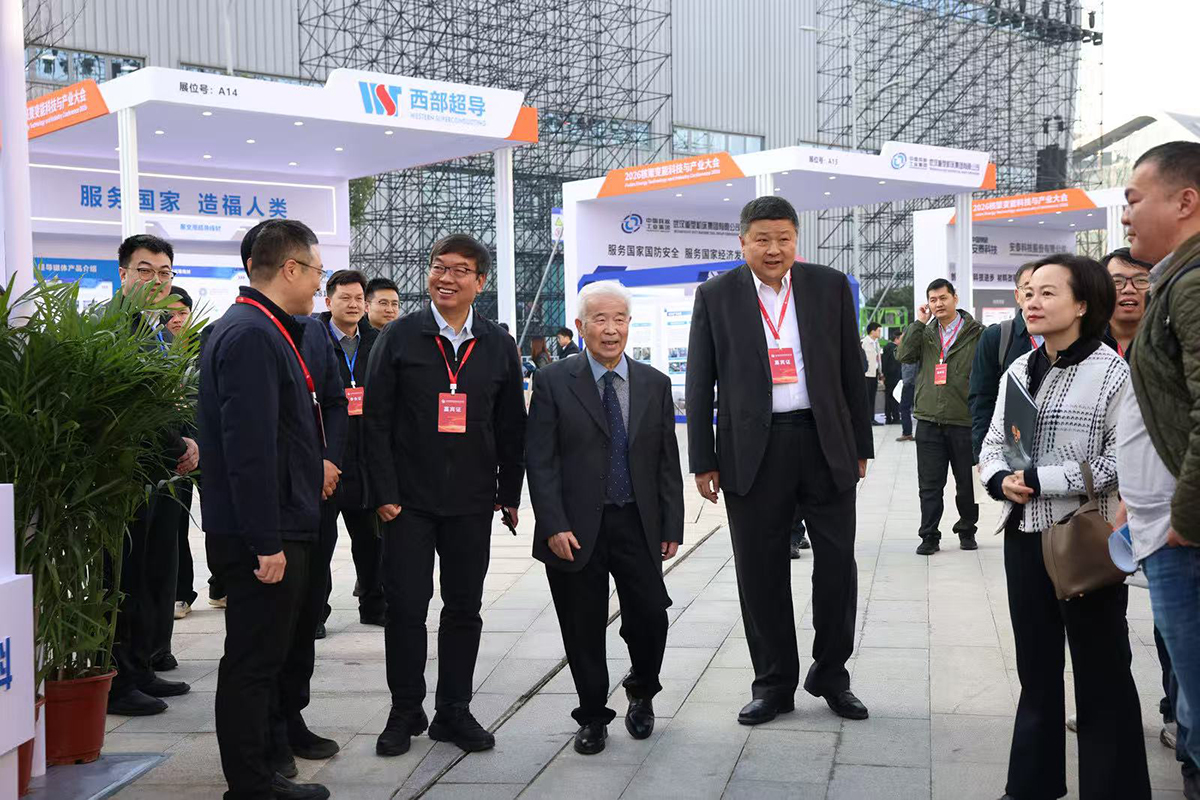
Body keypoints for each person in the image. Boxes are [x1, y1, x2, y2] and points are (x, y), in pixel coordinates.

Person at [686, 196, 873, 725]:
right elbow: (700, 381)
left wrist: (861, 446)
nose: (774, 249)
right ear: (742, 241)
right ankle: (772, 684)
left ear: (796, 239)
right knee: (760, 569)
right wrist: (703, 459)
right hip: (752, 450)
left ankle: (832, 674)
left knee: (837, 564)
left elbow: (851, 370)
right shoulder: (717, 295)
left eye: (784, 238)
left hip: (824, 442)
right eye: (762, 239)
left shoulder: (829, 286)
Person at [978, 253, 1150, 800]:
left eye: (1048, 293)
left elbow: (1123, 461)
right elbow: (994, 443)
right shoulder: (1020, 369)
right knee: (1036, 670)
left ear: (1082, 305)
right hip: (1024, 537)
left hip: (1083, 539)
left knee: (1102, 673)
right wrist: (999, 477)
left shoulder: (1112, 374)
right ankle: (1031, 785)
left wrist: (1040, 478)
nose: (1033, 302)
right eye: (1029, 292)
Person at [364, 234, 527, 757]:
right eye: (439, 267)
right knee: (406, 608)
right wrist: (383, 491)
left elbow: (511, 424)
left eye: (459, 270)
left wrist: (508, 491)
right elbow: (375, 420)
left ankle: (453, 710)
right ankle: (404, 710)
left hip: (472, 501)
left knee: (463, 608)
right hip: (407, 502)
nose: (446, 278)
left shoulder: (497, 343)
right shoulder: (401, 335)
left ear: (480, 281)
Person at [199, 219, 333, 800]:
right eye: (318, 271)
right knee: (253, 661)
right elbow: (248, 450)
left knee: (262, 656)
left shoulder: (263, 327)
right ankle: (251, 784)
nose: (320, 285)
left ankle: (258, 772)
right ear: (291, 269)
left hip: (279, 520)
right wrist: (266, 541)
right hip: (264, 530)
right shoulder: (252, 334)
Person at [526, 280, 683, 756]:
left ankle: (642, 690)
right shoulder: (553, 381)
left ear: (629, 324)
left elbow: (666, 460)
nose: (610, 329)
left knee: (651, 615)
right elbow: (541, 460)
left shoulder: (653, 382)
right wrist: (552, 524)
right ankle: (593, 715)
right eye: (600, 319)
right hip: (574, 528)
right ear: (580, 326)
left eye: (619, 319)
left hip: (637, 521)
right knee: (582, 625)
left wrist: (671, 525)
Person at [1120, 141, 1200, 797]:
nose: (1125, 216)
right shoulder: (1176, 279)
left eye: (1134, 199)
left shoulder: (1193, 284)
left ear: (1185, 201)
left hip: (1186, 536)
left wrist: (1187, 519)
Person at [107, 234, 197, 717]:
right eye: (145, 270)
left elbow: (171, 399)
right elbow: (134, 404)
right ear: (123, 273)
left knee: (150, 575)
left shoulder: (156, 327)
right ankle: (117, 682)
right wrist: (179, 445)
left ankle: (140, 667)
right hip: (123, 476)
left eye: (164, 272)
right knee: (123, 577)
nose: (156, 280)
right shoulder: (114, 326)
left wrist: (188, 441)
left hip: (158, 473)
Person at [315, 269, 386, 629]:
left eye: (359, 298)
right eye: (345, 297)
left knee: (372, 541)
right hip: (327, 459)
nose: (354, 304)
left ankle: (374, 606)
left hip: (366, 459)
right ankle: (315, 614)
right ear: (329, 301)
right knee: (320, 542)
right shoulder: (312, 339)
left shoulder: (378, 342)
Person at [899, 279, 984, 555]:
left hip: (964, 420)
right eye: (933, 300)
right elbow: (904, 355)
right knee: (929, 485)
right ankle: (929, 535)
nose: (938, 304)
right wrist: (918, 323)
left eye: (943, 298)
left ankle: (967, 530)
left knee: (966, 483)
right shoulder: (924, 333)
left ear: (955, 298)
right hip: (928, 419)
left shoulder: (977, 333)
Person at [968, 262, 1040, 463]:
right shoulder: (997, 337)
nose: (1036, 298)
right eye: (1029, 290)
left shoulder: (1068, 338)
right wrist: (984, 456)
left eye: (1046, 291)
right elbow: (981, 400)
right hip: (1009, 451)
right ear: (1017, 296)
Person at [1102, 247, 1154, 357]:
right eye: (1117, 281)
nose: (1129, 289)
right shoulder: (1085, 344)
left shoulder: (1171, 341)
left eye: (1141, 280)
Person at [861, 321, 883, 425]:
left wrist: (880, 372)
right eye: (878, 331)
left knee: (872, 398)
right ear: (872, 331)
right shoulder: (864, 343)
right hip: (866, 375)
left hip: (875, 374)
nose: (880, 333)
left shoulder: (876, 343)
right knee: (866, 398)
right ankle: (866, 419)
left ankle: (872, 418)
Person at [881, 329, 903, 424]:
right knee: (895, 397)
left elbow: (884, 362)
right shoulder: (895, 349)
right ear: (896, 339)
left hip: (888, 377)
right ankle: (896, 417)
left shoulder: (886, 348)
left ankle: (888, 418)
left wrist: (884, 374)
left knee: (888, 398)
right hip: (894, 377)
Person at [896, 359, 917, 442]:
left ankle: (907, 433)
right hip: (915, 383)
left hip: (910, 384)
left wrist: (906, 382)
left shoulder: (909, 355)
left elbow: (910, 369)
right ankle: (909, 433)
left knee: (904, 408)